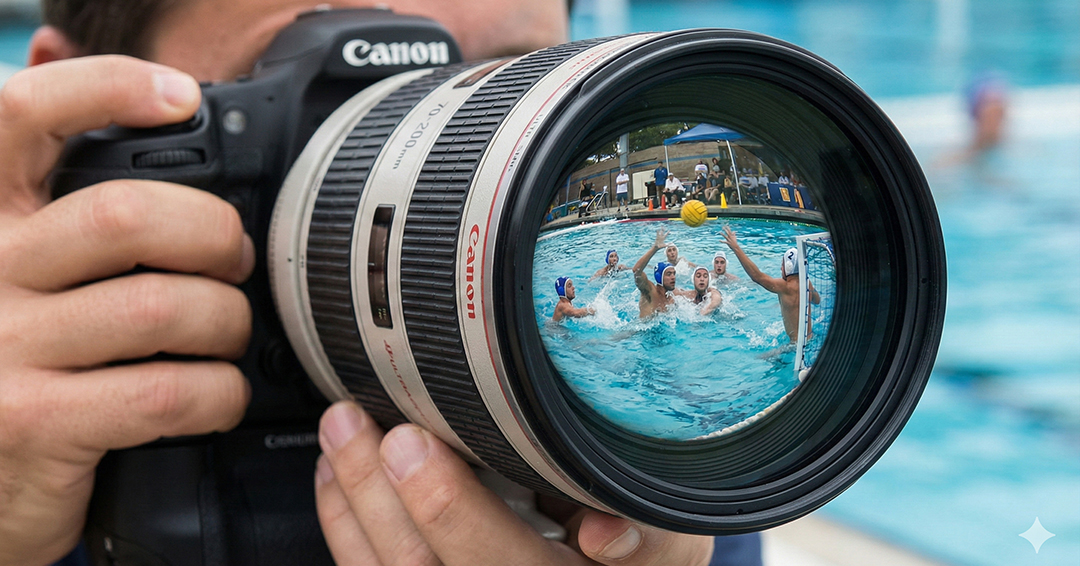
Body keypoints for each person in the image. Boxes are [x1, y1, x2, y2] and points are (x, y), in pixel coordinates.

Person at [0, 1, 725, 565]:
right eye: (358, 91)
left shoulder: (620, 444)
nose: (464, 165)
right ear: (73, 124)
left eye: (506, 84)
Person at [723, 227, 819, 342]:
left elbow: (756, 276)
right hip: (811, 338)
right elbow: (817, 301)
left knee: (762, 358)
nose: (780, 268)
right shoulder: (807, 284)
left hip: (795, 346)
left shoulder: (785, 287)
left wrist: (736, 248)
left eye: (782, 265)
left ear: (788, 267)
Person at [632, 228, 678, 319]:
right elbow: (636, 271)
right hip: (640, 332)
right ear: (659, 277)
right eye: (669, 274)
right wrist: (654, 248)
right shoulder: (650, 291)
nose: (673, 277)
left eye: (674, 273)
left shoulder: (671, 300)